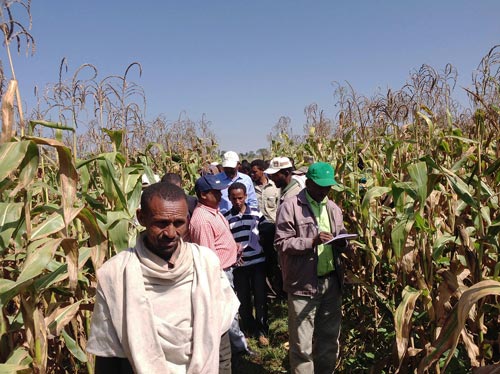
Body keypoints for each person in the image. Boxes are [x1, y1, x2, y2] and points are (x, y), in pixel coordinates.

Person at [87, 182, 239, 373]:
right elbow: (107, 355)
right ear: (141, 218)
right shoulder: (116, 274)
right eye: (161, 223)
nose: (171, 233)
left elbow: (221, 339)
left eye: (179, 223)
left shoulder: (206, 264)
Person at [274, 162, 349, 374]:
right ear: (308, 183)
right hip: (303, 285)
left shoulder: (333, 209)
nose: (325, 191)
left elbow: (342, 236)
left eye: (328, 187)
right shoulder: (290, 207)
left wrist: (343, 242)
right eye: (320, 186)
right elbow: (281, 243)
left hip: (331, 283)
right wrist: (311, 242)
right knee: (302, 345)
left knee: (329, 340)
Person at [189, 174, 252, 358]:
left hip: (228, 268)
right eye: (215, 192)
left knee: (232, 308)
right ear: (202, 195)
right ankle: (237, 349)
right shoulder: (202, 220)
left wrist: (234, 248)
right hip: (220, 273)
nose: (220, 195)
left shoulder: (213, 211)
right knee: (228, 311)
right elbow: (208, 256)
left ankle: (236, 346)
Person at [223, 182, 269, 347]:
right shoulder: (226, 217)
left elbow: (264, 232)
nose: (237, 202)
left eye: (240, 198)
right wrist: (233, 256)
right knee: (243, 298)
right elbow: (226, 240)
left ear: (246, 197)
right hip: (240, 265)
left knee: (260, 297)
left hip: (257, 262)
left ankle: (262, 330)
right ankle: (249, 328)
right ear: (229, 198)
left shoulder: (256, 213)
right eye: (234, 198)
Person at [249, 159, 280, 223]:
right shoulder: (250, 188)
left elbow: (279, 207)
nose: (252, 174)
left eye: (255, 172)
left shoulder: (274, 187)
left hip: (272, 224)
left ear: (262, 170)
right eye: (251, 172)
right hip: (256, 225)